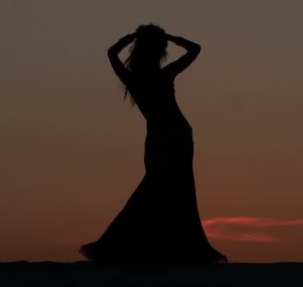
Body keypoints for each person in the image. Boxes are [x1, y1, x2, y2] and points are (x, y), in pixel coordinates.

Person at [80, 24, 228, 263]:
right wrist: (169, 37)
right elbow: (195, 49)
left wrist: (132, 37)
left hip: (163, 138)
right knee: (170, 190)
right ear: (158, 51)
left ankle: (149, 247)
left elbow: (111, 52)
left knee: (161, 190)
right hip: (175, 137)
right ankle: (157, 247)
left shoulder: (132, 78)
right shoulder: (162, 75)